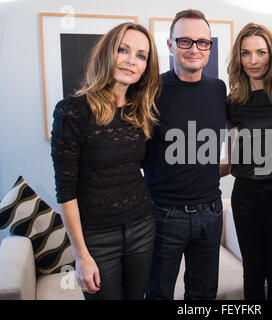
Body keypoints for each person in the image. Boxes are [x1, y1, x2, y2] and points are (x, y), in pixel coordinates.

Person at [51, 22, 160, 300]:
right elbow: (66, 191)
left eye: (141, 55)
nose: (131, 61)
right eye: (123, 50)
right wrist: (80, 255)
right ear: (107, 53)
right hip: (97, 238)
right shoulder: (73, 111)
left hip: (142, 227)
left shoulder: (140, 111)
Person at [142, 9, 226, 300]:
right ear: (169, 45)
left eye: (202, 42)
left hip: (211, 212)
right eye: (185, 41)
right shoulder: (150, 91)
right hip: (164, 214)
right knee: (158, 293)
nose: (194, 49)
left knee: (203, 295)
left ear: (209, 47)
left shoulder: (218, 89)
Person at [222, 23, 272, 300]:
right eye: (245, 53)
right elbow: (232, 149)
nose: (253, 60)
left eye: (260, 52)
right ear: (238, 57)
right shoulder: (233, 102)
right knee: (252, 270)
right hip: (246, 196)